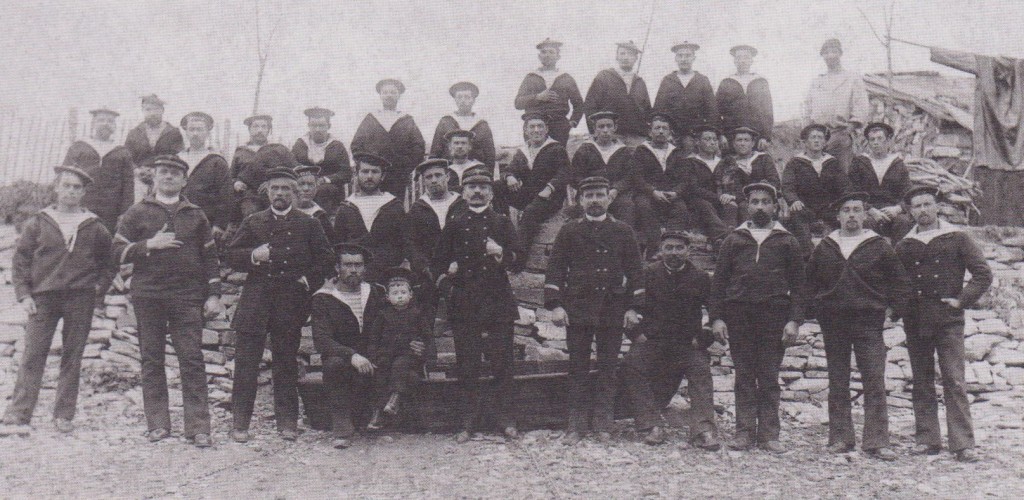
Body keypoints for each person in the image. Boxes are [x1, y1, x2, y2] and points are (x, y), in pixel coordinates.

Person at [111, 155, 222, 447]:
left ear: (185, 180)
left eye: (175, 173)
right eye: (163, 172)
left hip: (187, 296)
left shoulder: (196, 214)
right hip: (149, 295)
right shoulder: (137, 212)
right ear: (154, 177)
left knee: (192, 358)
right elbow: (115, 252)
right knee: (152, 359)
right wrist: (148, 245)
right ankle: (158, 424)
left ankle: (198, 427)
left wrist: (213, 294)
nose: (169, 177)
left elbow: (210, 256)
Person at [2, 166, 113, 435]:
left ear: (84, 192)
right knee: (33, 354)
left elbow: (108, 262)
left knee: (72, 356)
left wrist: (98, 290)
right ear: (56, 188)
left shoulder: (95, 226)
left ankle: (63, 416)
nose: (71, 191)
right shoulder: (39, 222)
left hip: (80, 298)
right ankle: (18, 414)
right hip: (44, 297)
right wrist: (24, 295)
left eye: (77, 187)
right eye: (66, 186)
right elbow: (21, 262)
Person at [226, 167, 334, 443]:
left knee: (285, 362)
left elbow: (325, 260)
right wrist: (253, 254)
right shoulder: (253, 222)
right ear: (267, 193)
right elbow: (231, 256)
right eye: (275, 189)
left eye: (286, 189)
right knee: (246, 362)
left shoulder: (309, 224)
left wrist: (307, 280)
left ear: (295, 193)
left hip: (290, 302)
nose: (280, 194)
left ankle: (287, 423)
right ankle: (240, 423)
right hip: (255, 302)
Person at [804, 192, 910, 461]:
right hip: (834, 321)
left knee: (874, 379)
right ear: (838, 216)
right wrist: (817, 308)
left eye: (857, 210)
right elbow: (810, 282)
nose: (851, 215)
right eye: (846, 210)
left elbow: (899, 281)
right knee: (837, 380)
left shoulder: (878, 245)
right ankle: (840, 438)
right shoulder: (826, 246)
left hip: (868, 321)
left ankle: (876, 441)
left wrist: (892, 310)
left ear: (865, 215)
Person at [895, 186, 992, 463]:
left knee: (954, 379)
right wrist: (899, 308)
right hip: (916, 319)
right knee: (921, 380)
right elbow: (897, 282)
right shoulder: (904, 245)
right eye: (917, 206)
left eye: (927, 204)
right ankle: (927, 439)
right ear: (911, 211)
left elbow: (983, 274)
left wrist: (961, 300)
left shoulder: (957, 237)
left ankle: (963, 444)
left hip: (948, 319)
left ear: (937, 206)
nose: (923, 210)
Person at [545, 176, 643, 444]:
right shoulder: (569, 231)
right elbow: (555, 269)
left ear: (609, 198)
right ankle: (576, 424)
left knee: (608, 367)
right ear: (580, 200)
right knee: (577, 367)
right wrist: (555, 305)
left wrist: (634, 308)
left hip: (612, 308)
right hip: (578, 308)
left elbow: (636, 272)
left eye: (600, 195)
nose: (595, 200)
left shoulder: (623, 231)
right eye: (589, 196)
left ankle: (603, 423)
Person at [710, 182, 804, 453]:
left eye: (765, 201)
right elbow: (719, 283)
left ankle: (769, 435)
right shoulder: (734, 240)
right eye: (755, 202)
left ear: (775, 206)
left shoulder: (787, 240)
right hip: (740, 316)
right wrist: (717, 318)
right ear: (747, 206)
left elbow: (799, 286)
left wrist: (794, 320)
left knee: (769, 376)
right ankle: (744, 432)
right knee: (744, 376)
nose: (760, 206)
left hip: (774, 317)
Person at [432, 166, 523, 443]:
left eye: (483, 187)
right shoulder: (455, 224)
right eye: (471, 187)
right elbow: (436, 265)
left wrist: (502, 254)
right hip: (465, 303)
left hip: (497, 301)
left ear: (491, 193)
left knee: (502, 363)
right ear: (463, 193)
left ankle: (505, 418)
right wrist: (450, 283)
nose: (477, 192)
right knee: (467, 363)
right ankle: (467, 421)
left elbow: (518, 260)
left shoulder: (502, 223)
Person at [620, 231, 719, 449]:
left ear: (688, 251)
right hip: (654, 342)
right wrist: (637, 336)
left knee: (701, 369)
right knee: (631, 363)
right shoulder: (646, 275)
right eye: (669, 248)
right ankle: (651, 425)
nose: (674, 253)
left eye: (679, 248)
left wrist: (702, 340)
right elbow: (628, 308)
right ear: (660, 251)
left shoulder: (701, 278)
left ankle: (703, 429)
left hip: (687, 344)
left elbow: (717, 312)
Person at [311, 244, 387, 449]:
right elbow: (322, 339)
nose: (353, 270)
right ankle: (342, 427)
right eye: (348, 265)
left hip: (373, 354)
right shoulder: (323, 298)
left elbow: (391, 324)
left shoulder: (376, 293)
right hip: (344, 358)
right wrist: (351, 355)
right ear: (337, 268)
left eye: (358, 265)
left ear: (365, 268)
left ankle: (376, 415)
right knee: (334, 364)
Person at [494, 112, 571, 261]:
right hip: (529, 195)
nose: (536, 130)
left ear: (546, 129)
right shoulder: (523, 152)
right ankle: (504, 226)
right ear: (526, 130)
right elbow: (511, 169)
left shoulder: (556, 149)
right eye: (532, 127)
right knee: (497, 187)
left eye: (540, 126)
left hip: (550, 198)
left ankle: (519, 259)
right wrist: (510, 177)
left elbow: (564, 173)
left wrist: (550, 188)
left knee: (530, 212)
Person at [365, 267, 432, 431]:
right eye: (395, 293)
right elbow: (374, 338)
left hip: (408, 356)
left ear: (411, 295)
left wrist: (425, 354)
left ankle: (395, 398)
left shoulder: (417, 314)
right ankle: (378, 411)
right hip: (386, 354)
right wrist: (373, 357)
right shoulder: (383, 315)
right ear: (387, 297)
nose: (400, 296)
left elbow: (427, 337)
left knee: (400, 366)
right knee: (380, 373)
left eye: (403, 292)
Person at [406, 158, 467, 321]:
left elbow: (470, 238)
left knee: (465, 314)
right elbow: (411, 244)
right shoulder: (418, 209)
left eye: (438, 175)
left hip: (459, 268)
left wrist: (458, 262)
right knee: (423, 317)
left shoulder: (461, 205)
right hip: (427, 272)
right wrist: (425, 267)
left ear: (447, 177)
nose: (433, 180)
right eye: (428, 177)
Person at [333, 152, 407, 282]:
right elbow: (338, 244)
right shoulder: (346, 208)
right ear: (356, 174)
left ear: (383, 176)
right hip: (354, 277)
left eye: (375, 172)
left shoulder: (394, 206)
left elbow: (404, 242)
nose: (369, 176)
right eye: (365, 171)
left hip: (388, 275)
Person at [782, 124, 851, 258]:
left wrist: (843, 202)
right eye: (813, 137)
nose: (817, 140)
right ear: (805, 142)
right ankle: (807, 256)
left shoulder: (832, 162)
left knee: (837, 226)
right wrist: (793, 200)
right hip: (805, 207)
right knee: (797, 216)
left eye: (820, 138)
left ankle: (834, 256)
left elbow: (844, 185)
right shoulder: (795, 163)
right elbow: (787, 186)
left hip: (828, 207)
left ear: (825, 142)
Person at [802, 38, 870, 172]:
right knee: (818, 173)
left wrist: (849, 129)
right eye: (826, 53)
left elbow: (861, 106)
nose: (830, 56)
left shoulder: (852, 78)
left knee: (841, 175)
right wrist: (808, 131)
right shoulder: (818, 81)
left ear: (840, 53)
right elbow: (808, 107)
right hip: (818, 135)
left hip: (840, 134)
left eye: (833, 52)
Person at [63, 107, 134, 233]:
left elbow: (128, 185)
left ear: (115, 126)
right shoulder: (79, 147)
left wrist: (124, 212)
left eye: (110, 121)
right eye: (101, 120)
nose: (106, 124)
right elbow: (65, 176)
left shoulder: (122, 152)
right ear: (93, 123)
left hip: (110, 209)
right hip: (82, 204)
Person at [351, 79, 426, 198]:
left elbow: (418, 146)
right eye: (385, 92)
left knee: (394, 207)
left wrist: (405, 166)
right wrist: (367, 164)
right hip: (373, 174)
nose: (389, 95)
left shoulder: (406, 120)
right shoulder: (371, 119)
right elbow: (356, 145)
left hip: (397, 175)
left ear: (399, 95)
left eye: (393, 92)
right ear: (380, 96)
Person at [630, 113, 691, 252]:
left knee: (680, 208)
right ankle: (655, 248)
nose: (661, 131)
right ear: (650, 132)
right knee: (644, 207)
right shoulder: (641, 151)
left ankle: (672, 246)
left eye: (665, 128)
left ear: (670, 133)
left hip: (671, 194)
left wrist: (676, 192)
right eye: (657, 128)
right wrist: (652, 191)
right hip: (647, 193)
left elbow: (685, 178)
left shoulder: (677, 153)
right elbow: (636, 177)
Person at [847, 122, 913, 240]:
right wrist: (870, 210)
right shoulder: (859, 163)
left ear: (888, 141)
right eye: (872, 140)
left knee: (904, 222)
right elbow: (852, 192)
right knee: (865, 223)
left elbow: (908, 194)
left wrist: (897, 209)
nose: (876, 143)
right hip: (867, 210)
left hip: (892, 210)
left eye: (879, 138)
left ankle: (898, 256)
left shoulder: (898, 164)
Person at [570, 111, 637, 226]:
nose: (605, 130)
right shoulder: (585, 149)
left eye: (609, 126)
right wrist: (591, 189)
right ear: (595, 130)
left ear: (615, 128)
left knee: (627, 207)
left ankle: (623, 241)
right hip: (590, 194)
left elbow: (630, 176)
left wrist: (616, 189)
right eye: (601, 127)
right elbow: (575, 176)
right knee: (583, 213)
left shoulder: (624, 151)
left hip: (616, 195)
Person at [653, 42, 720, 154]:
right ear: (676, 58)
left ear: (694, 58)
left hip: (694, 136)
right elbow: (659, 109)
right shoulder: (668, 80)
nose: (684, 59)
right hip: (671, 136)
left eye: (687, 55)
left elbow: (712, 111)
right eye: (680, 55)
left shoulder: (702, 80)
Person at [514, 38, 585, 144]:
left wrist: (572, 122)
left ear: (558, 56)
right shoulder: (531, 77)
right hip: (534, 126)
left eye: (551, 52)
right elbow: (518, 103)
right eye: (544, 52)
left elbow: (579, 105)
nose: (547, 55)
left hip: (559, 127)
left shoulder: (566, 78)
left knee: (558, 157)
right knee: (535, 157)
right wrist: (538, 97)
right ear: (539, 56)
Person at [583, 41, 652, 145]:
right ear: (617, 56)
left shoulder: (640, 82)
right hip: (610, 137)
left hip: (636, 138)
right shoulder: (604, 77)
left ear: (636, 58)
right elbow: (590, 106)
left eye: (630, 54)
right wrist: (595, 132)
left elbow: (647, 111)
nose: (625, 57)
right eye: (622, 53)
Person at [177, 111, 234, 239]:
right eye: (191, 129)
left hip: (205, 221)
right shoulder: (178, 159)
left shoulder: (216, 161)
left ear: (208, 132)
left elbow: (226, 196)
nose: (195, 134)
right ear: (186, 131)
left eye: (200, 129)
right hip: (178, 219)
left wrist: (219, 225)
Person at [231, 114, 295, 218]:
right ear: (249, 130)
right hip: (249, 195)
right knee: (251, 213)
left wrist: (273, 183)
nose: (260, 130)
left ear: (269, 130)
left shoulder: (279, 149)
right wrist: (236, 183)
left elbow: (294, 171)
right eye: (255, 126)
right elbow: (231, 176)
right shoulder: (241, 152)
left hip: (277, 192)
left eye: (264, 127)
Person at [715, 126, 782, 226]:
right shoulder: (727, 162)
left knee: (746, 207)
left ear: (753, 143)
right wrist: (725, 196)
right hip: (733, 201)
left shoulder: (763, 159)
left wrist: (739, 197)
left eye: (746, 140)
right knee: (730, 207)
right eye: (739, 140)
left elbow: (774, 182)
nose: (742, 143)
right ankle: (730, 237)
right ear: (733, 144)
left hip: (761, 199)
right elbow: (720, 183)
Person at [292, 106, 351, 216]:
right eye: (314, 125)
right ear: (308, 126)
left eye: (321, 125)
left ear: (329, 126)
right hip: (303, 185)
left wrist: (326, 179)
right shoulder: (300, 144)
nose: (317, 129)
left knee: (323, 191)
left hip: (330, 190)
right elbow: (292, 166)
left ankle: (322, 221)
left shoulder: (337, 146)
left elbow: (346, 173)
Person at [680, 125, 732, 241]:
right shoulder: (690, 162)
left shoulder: (723, 163)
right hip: (698, 201)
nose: (712, 142)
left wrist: (728, 195)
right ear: (697, 142)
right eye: (707, 139)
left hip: (720, 199)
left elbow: (731, 183)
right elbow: (693, 188)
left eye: (714, 139)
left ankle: (729, 237)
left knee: (731, 206)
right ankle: (728, 237)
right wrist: (718, 197)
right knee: (704, 205)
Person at [716, 45, 773, 146]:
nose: (742, 61)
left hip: (756, 136)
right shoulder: (726, 82)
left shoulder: (760, 82)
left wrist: (765, 136)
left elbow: (767, 112)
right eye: (739, 57)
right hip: (731, 136)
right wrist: (721, 134)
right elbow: (716, 111)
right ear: (734, 61)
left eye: (746, 57)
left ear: (751, 60)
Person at [430, 82, 496, 168]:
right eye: (459, 97)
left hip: (476, 173)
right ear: (455, 100)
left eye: (467, 97)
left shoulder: (482, 125)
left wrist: (487, 177)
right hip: (449, 171)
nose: (463, 100)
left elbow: (489, 155)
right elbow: (435, 151)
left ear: (473, 100)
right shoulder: (446, 122)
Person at [124, 94, 184, 167]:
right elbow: (127, 159)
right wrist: (137, 170)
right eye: (148, 109)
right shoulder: (134, 133)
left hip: (165, 174)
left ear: (162, 110)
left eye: (156, 109)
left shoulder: (173, 132)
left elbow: (178, 157)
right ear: (142, 110)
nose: (152, 113)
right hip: (140, 174)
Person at [294, 165, 335, 242]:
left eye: (310, 184)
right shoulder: (283, 213)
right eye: (301, 184)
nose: (306, 189)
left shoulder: (320, 215)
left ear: (316, 188)